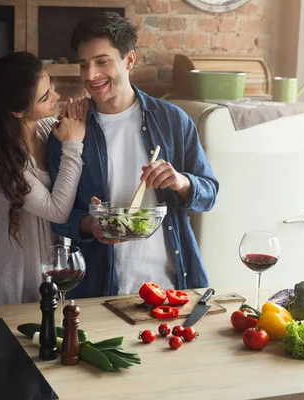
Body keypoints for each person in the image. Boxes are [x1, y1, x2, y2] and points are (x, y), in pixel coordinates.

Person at [47, 12, 219, 298]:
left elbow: (210, 193)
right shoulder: (68, 132)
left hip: (171, 286)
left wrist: (181, 182)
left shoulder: (173, 120)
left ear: (129, 60)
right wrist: (91, 224)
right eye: (83, 64)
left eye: (102, 62)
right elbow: (57, 217)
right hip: (98, 291)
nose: (90, 75)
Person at [0, 51, 88, 307]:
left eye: (52, 87)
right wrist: (72, 145)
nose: (56, 97)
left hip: (40, 276)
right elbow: (56, 211)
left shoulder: (48, 128)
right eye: (45, 96)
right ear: (17, 111)